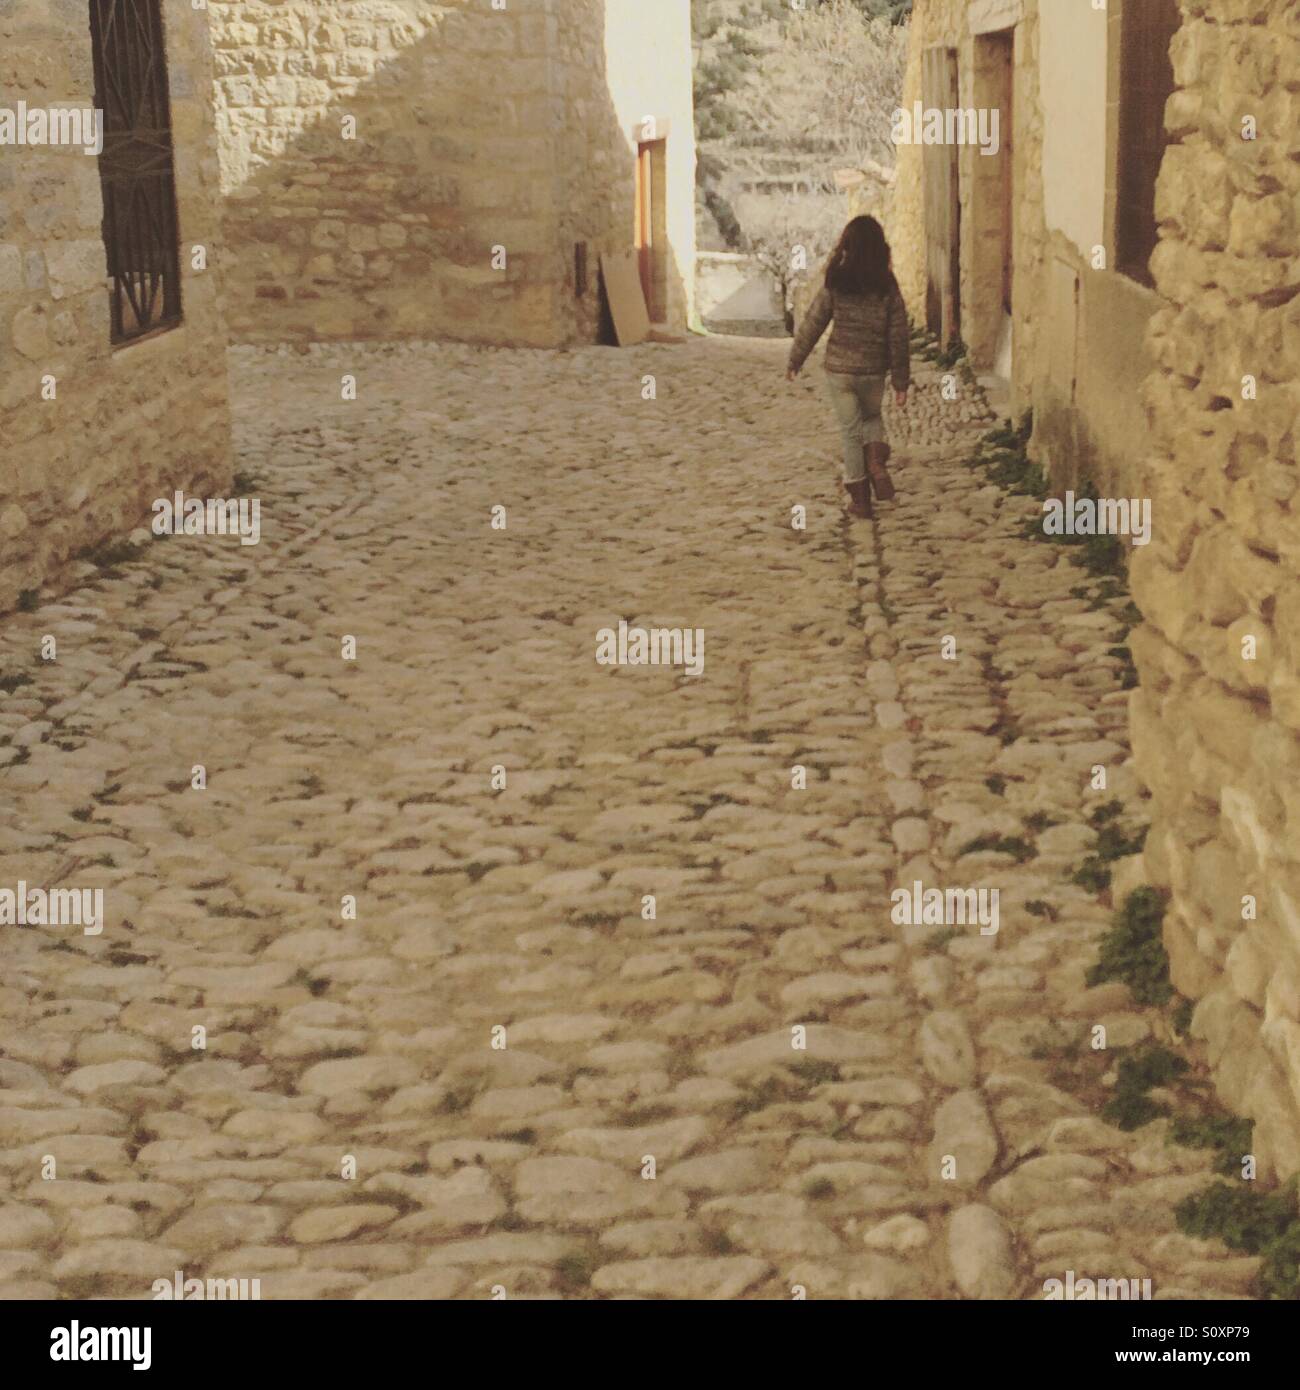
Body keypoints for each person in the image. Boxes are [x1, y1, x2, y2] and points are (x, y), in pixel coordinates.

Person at [786, 216, 910, 520]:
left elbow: (814, 321)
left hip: (840, 371)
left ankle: (859, 499)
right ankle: (877, 463)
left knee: (850, 433)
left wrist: (795, 359)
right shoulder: (887, 284)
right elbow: (899, 333)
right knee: (871, 417)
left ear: (847, 246)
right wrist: (900, 380)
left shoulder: (836, 280)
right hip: (872, 370)